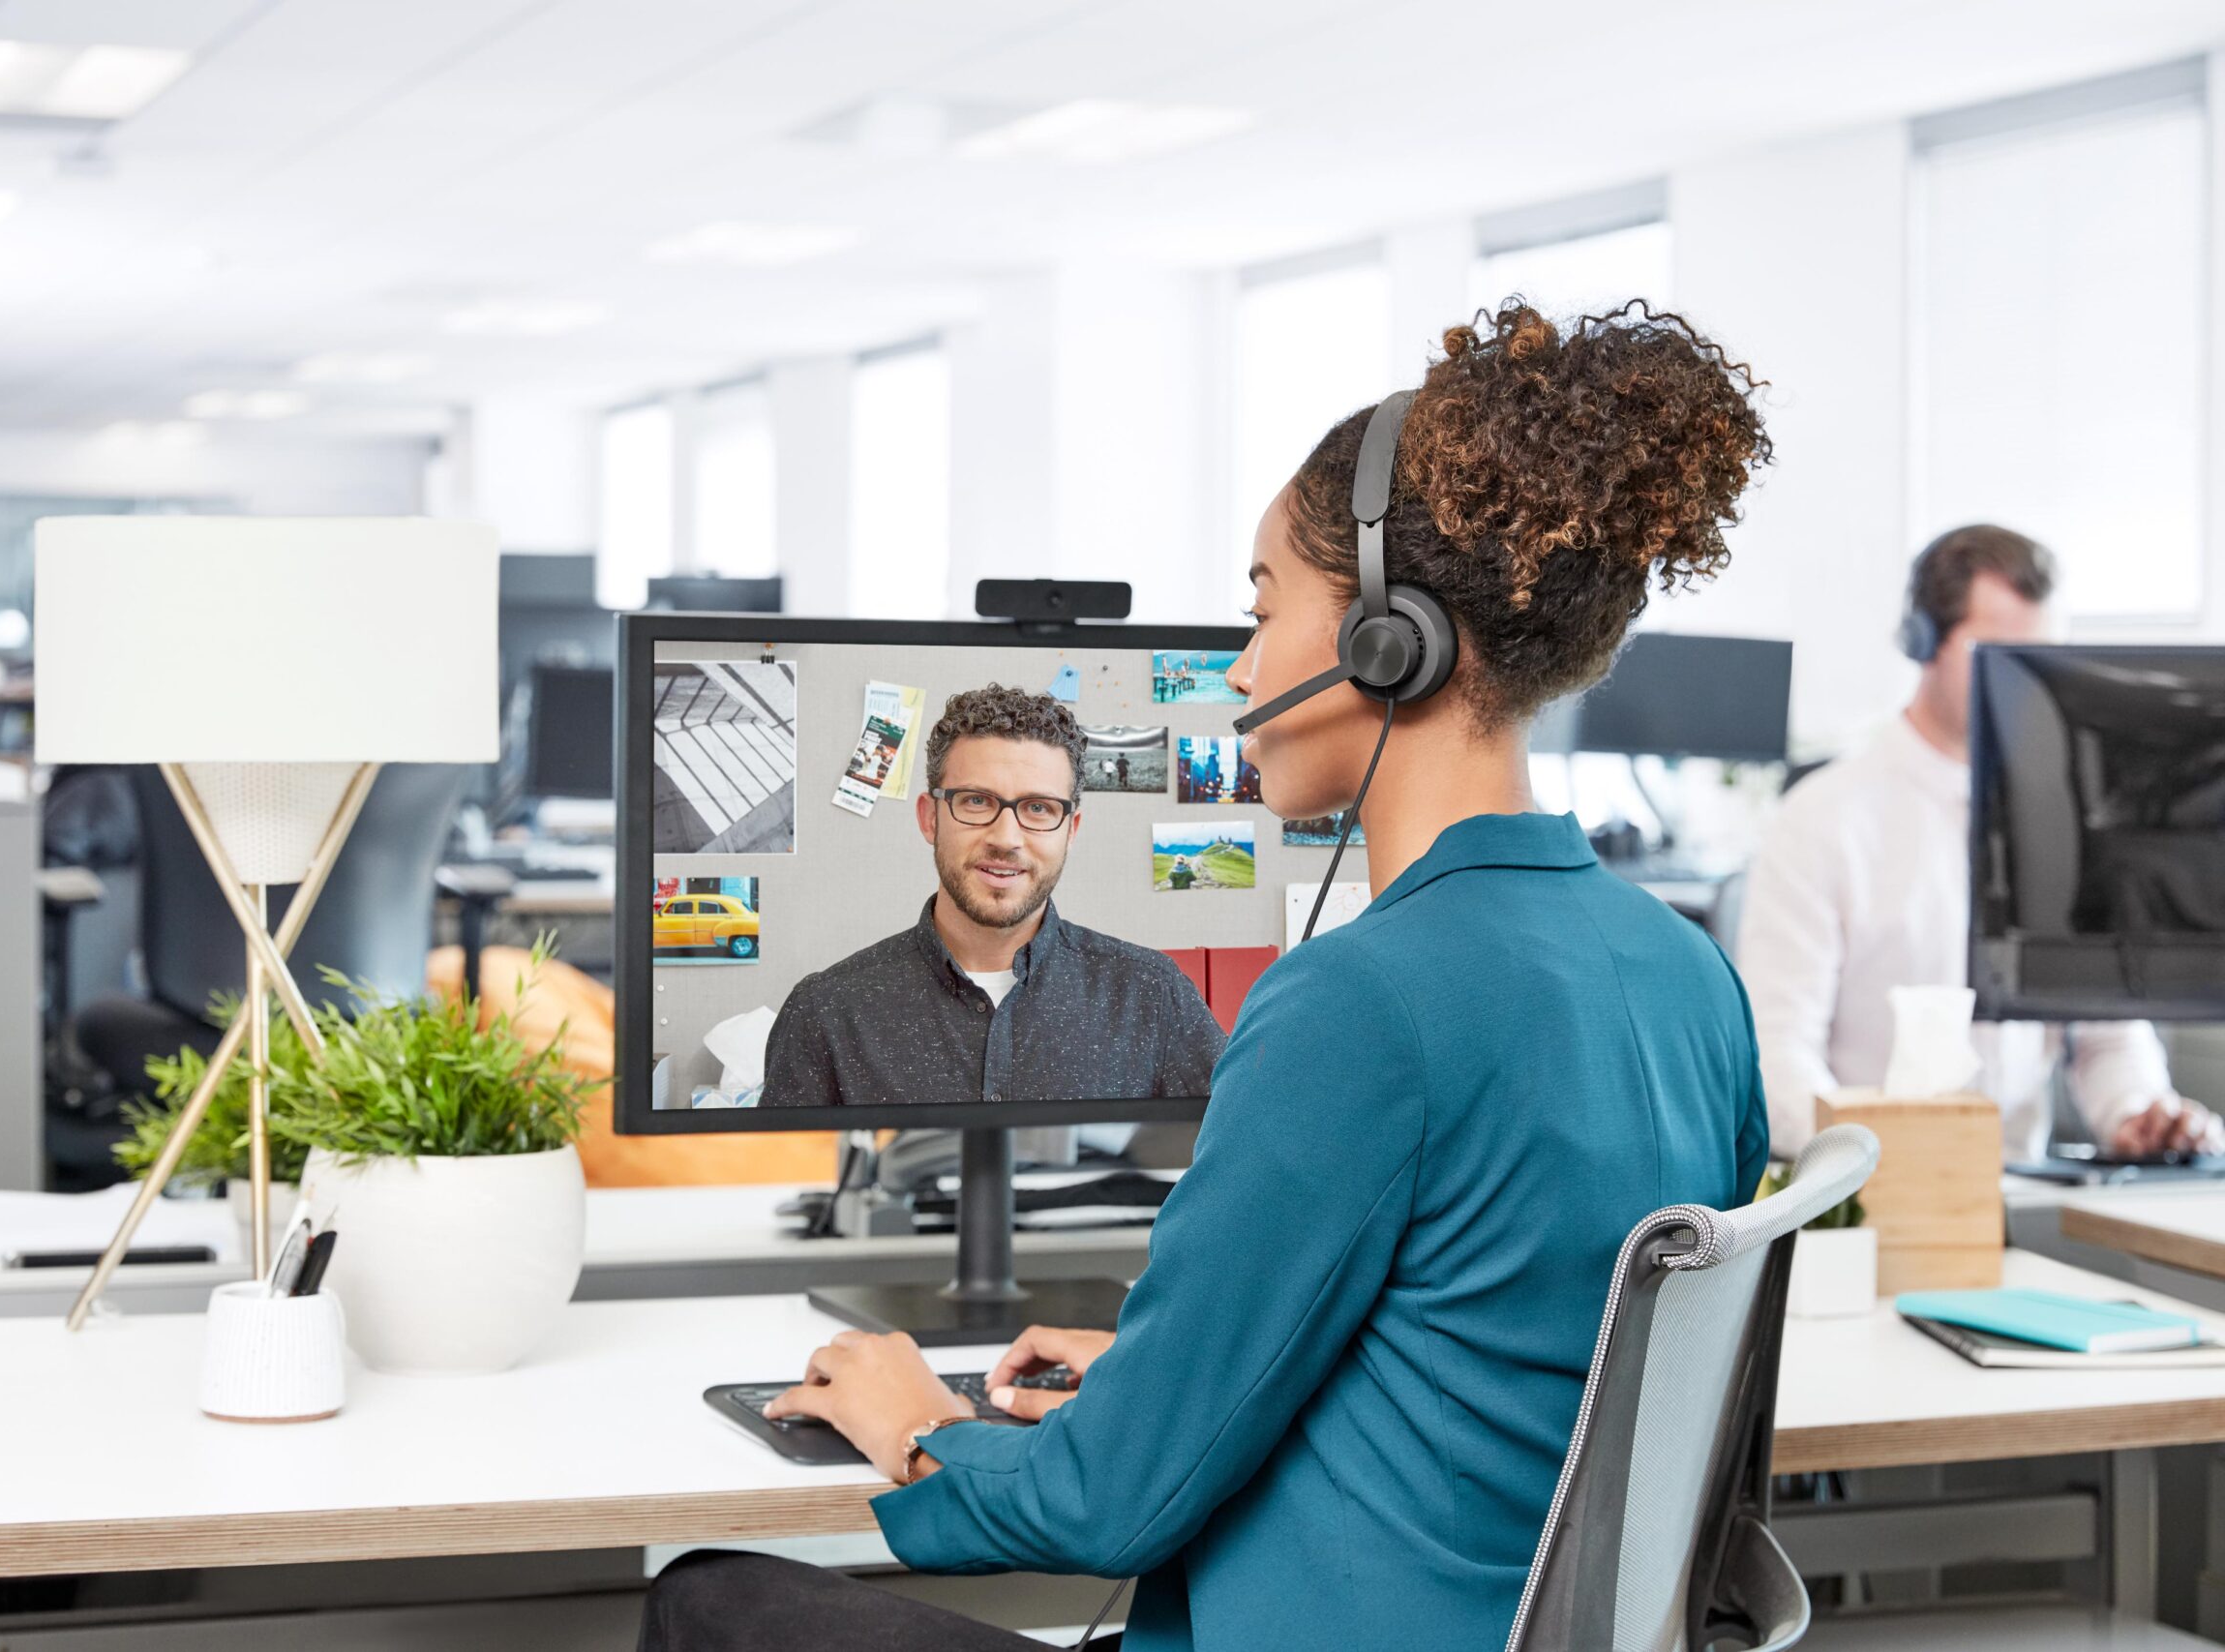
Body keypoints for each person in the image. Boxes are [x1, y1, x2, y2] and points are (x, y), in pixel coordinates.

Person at [639, 302, 1773, 1652]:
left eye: (1263, 605)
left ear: (1385, 640)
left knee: (710, 1600)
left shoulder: (1360, 1002)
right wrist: (1169, 1375)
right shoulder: (1691, 972)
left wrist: (921, 1421)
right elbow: (1509, 1356)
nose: (1238, 666)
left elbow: (1106, 1507)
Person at [1736, 526, 2220, 1162]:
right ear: (1924, 642)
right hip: (1873, 1198)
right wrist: (1875, 1159)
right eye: (1999, 653)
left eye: (2042, 660)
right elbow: (1778, 1058)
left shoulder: (2072, 823)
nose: (2025, 684)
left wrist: (2135, 1113)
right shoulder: (1823, 820)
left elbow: (2106, 1036)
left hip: (2019, 1192)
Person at [760, 684, 1222, 1109]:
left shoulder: (1152, 995)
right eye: (977, 801)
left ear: (1071, 830)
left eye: (1038, 808)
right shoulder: (825, 1012)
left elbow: (1241, 1160)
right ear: (930, 818)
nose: (1006, 837)